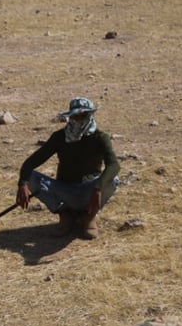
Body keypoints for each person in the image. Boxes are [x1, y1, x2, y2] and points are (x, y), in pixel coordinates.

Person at [15, 97, 120, 240]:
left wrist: (98, 188)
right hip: (64, 190)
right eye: (75, 116)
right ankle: (65, 215)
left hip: (90, 191)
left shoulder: (100, 138)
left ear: (90, 115)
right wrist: (22, 183)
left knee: (113, 180)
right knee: (31, 178)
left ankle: (89, 217)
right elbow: (32, 161)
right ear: (70, 117)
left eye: (83, 115)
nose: (79, 119)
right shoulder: (59, 137)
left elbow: (114, 165)